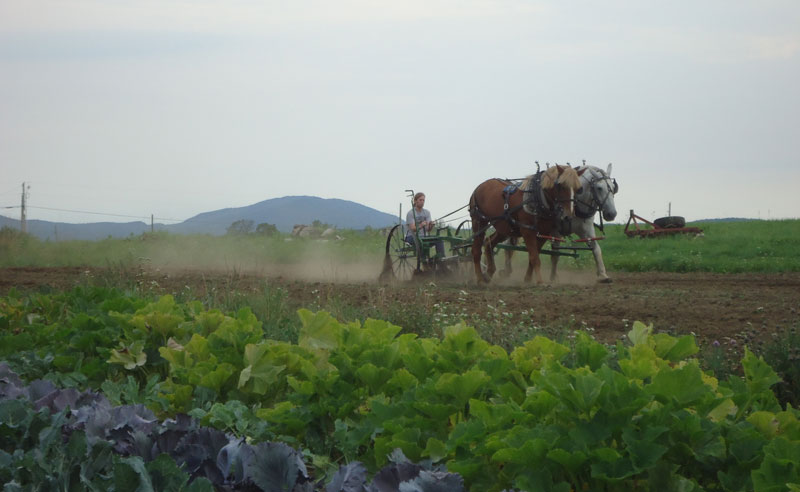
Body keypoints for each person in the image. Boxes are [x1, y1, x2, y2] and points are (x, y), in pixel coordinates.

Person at [406, 192, 445, 259]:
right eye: (420, 200)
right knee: (421, 242)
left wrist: (431, 225)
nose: (422, 202)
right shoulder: (411, 213)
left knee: (439, 239)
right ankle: (425, 261)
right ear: (415, 201)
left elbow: (428, 229)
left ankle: (441, 259)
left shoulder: (427, 213)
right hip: (412, 237)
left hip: (424, 237)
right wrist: (421, 225)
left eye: (423, 200)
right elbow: (412, 229)